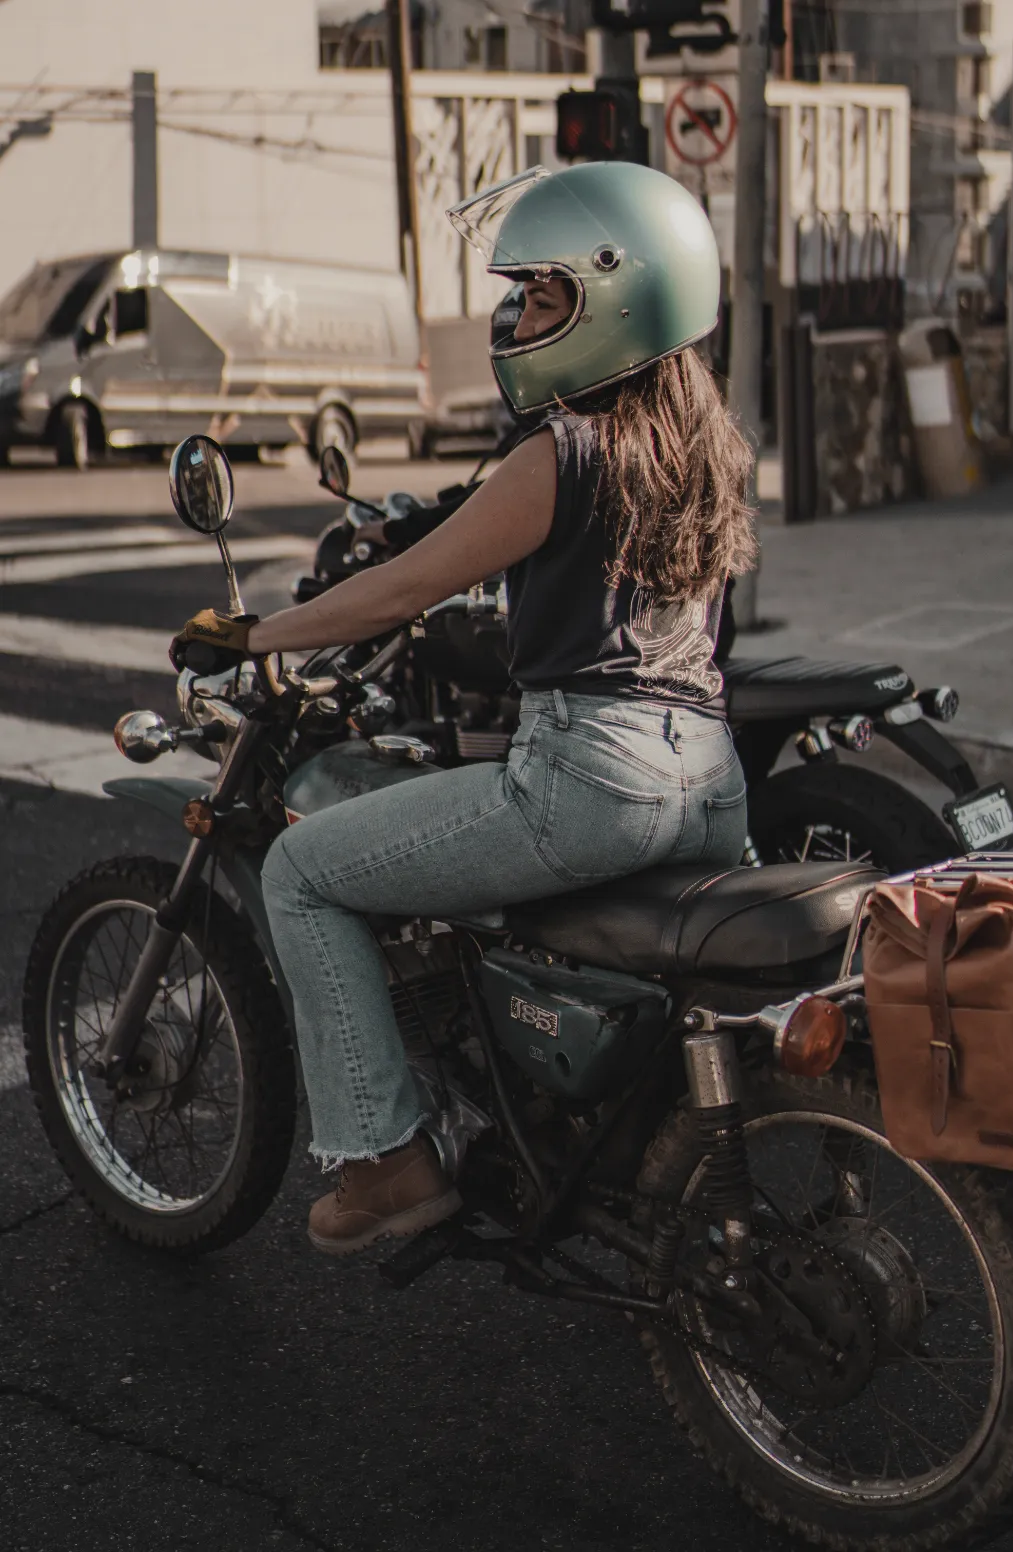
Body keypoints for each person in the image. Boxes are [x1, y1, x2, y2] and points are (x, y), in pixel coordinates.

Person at [169, 162, 758, 1255]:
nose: (517, 320)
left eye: (542, 298)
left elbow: (404, 587)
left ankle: (389, 1162)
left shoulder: (563, 453)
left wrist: (251, 636)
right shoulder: (705, 446)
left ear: (616, 302)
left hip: (591, 779)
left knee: (302, 874)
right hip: (709, 778)